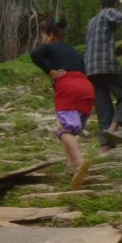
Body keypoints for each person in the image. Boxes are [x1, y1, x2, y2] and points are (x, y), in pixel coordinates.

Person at [30, 17, 94, 189]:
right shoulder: (73, 51)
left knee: (63, 129)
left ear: (50, 35)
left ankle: (80, 162)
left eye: (43, 35)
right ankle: (71, 166)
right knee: (72, 131)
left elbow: (34, 54)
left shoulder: (49, 46)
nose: (42, 39)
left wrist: (50, 72)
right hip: (86, 89)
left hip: (68, 86)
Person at [85, 0, 122, 152]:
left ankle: (104, 149)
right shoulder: (109, 12)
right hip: (105, 65)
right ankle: (115, 128)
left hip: (90, 69)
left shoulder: (92, 22)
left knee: (104, 109)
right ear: (115, 4)